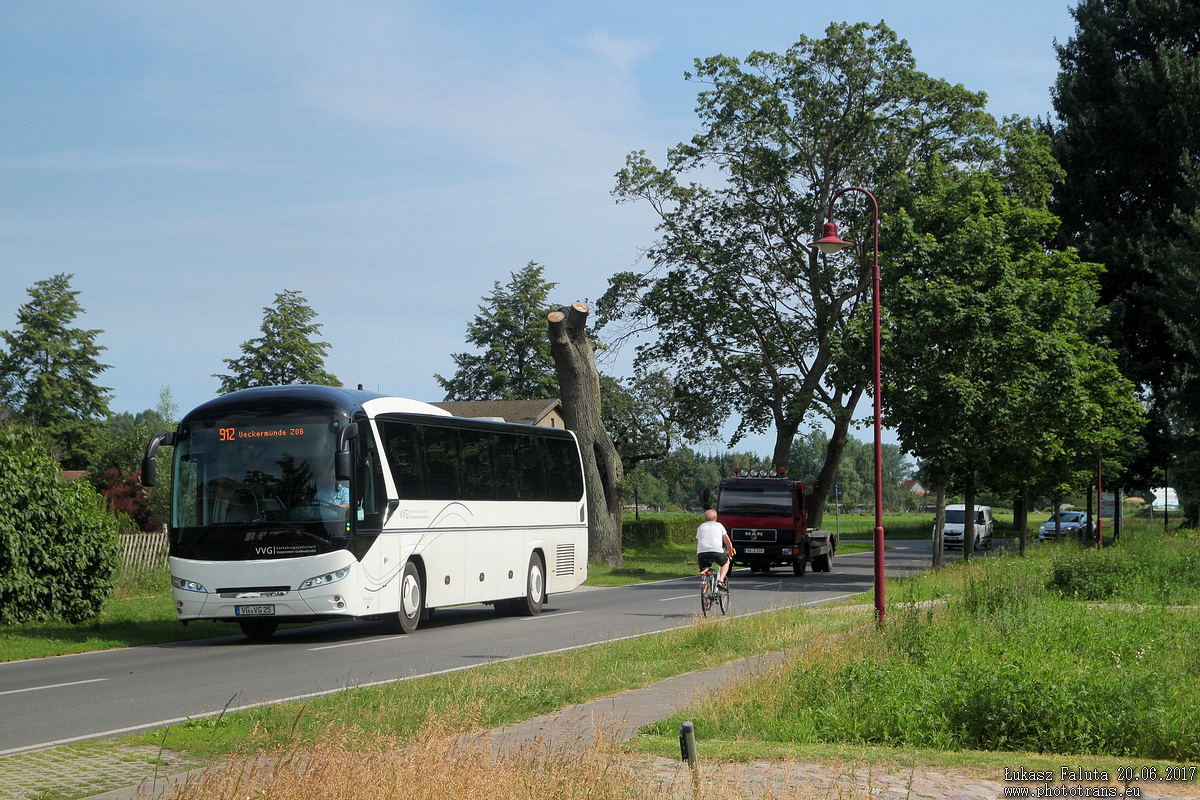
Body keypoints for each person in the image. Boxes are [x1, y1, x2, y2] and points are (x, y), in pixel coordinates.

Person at [696, 508, 734, 589]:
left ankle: (705, 587)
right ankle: (720, 581)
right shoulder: (719, 526)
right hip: (716, 552)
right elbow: (727, 541)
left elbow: (698, 541)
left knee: (705, 569)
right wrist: (730, 551)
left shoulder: (700, 527)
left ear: (705, 518)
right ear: (716, 518)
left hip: (702, 553)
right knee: (726, 562)